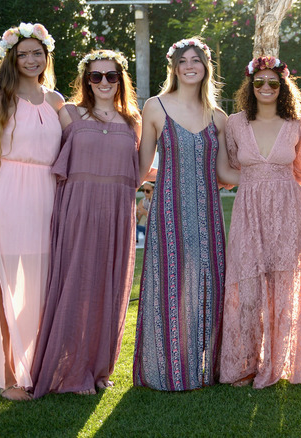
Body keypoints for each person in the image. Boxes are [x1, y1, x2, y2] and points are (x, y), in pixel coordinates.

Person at [31, 50, 141, 398]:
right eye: (96, 76)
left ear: (121, 80)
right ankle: (71, 369)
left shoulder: (133, 121)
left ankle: (97, 368)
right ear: (86, 80)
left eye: (111, 76)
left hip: (118, 211)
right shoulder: (68, 113)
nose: (104, 82)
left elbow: (141, 170)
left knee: (107, 287)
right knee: (76, 283)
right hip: (78, 206)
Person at [133, 37, 230, 391]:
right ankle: (167, 369)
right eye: (183, 60)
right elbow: (142, 165)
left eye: (197, 60)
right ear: (175, 68)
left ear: (206, 67)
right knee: (170, 284)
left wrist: (271, 175)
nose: (190, 66)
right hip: (168, 210)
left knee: (208, 283)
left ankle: (205, 369)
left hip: (208, 211)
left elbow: (224, 174)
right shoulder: (155, 107)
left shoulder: (218, 117)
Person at [218, 56, 301, 389]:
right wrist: (253, 181)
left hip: (288, 212)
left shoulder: (297, 124)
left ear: (283, 86)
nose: (266, 88)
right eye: (259, 82)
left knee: (284, 289)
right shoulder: (234, 123)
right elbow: (226, 170)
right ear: (250, 85)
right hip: (248, 212)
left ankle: (282, 364)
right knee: (247, 293)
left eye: (273, 83)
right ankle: (244, 365)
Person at [0, 23, 63, 401]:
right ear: (11, 59)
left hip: (47, 197)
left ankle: (39, 364)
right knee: (5, 289)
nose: (31, 59)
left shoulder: (57, 101)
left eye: (37, 53)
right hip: (6, 196)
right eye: (23, 54)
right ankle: (9, 377)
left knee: (43, 287)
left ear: (46, 56)